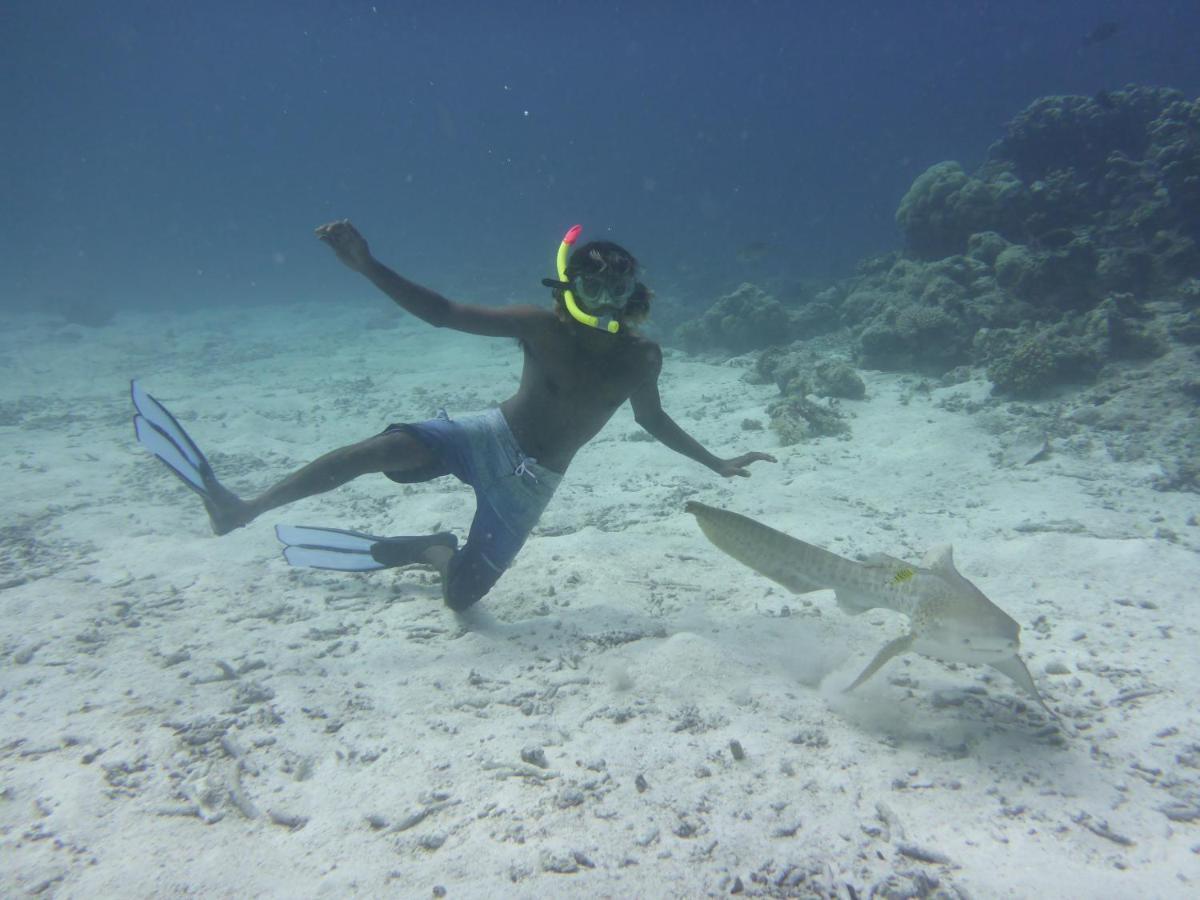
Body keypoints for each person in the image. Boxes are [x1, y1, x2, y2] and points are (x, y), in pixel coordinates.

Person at [132, 220, 775, 611]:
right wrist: (367, 267)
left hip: (533, 486)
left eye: (614, 289)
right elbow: (442, 312)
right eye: (590, 286)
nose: (601, 299)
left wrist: (716, 461)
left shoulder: (642, 358)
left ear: (632, 294)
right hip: (486, 436)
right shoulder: (536, 327)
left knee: (462, 599)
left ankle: (435, 552)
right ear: (569, 287)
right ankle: (241, 506)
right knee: (375, 451)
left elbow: (651, 421)